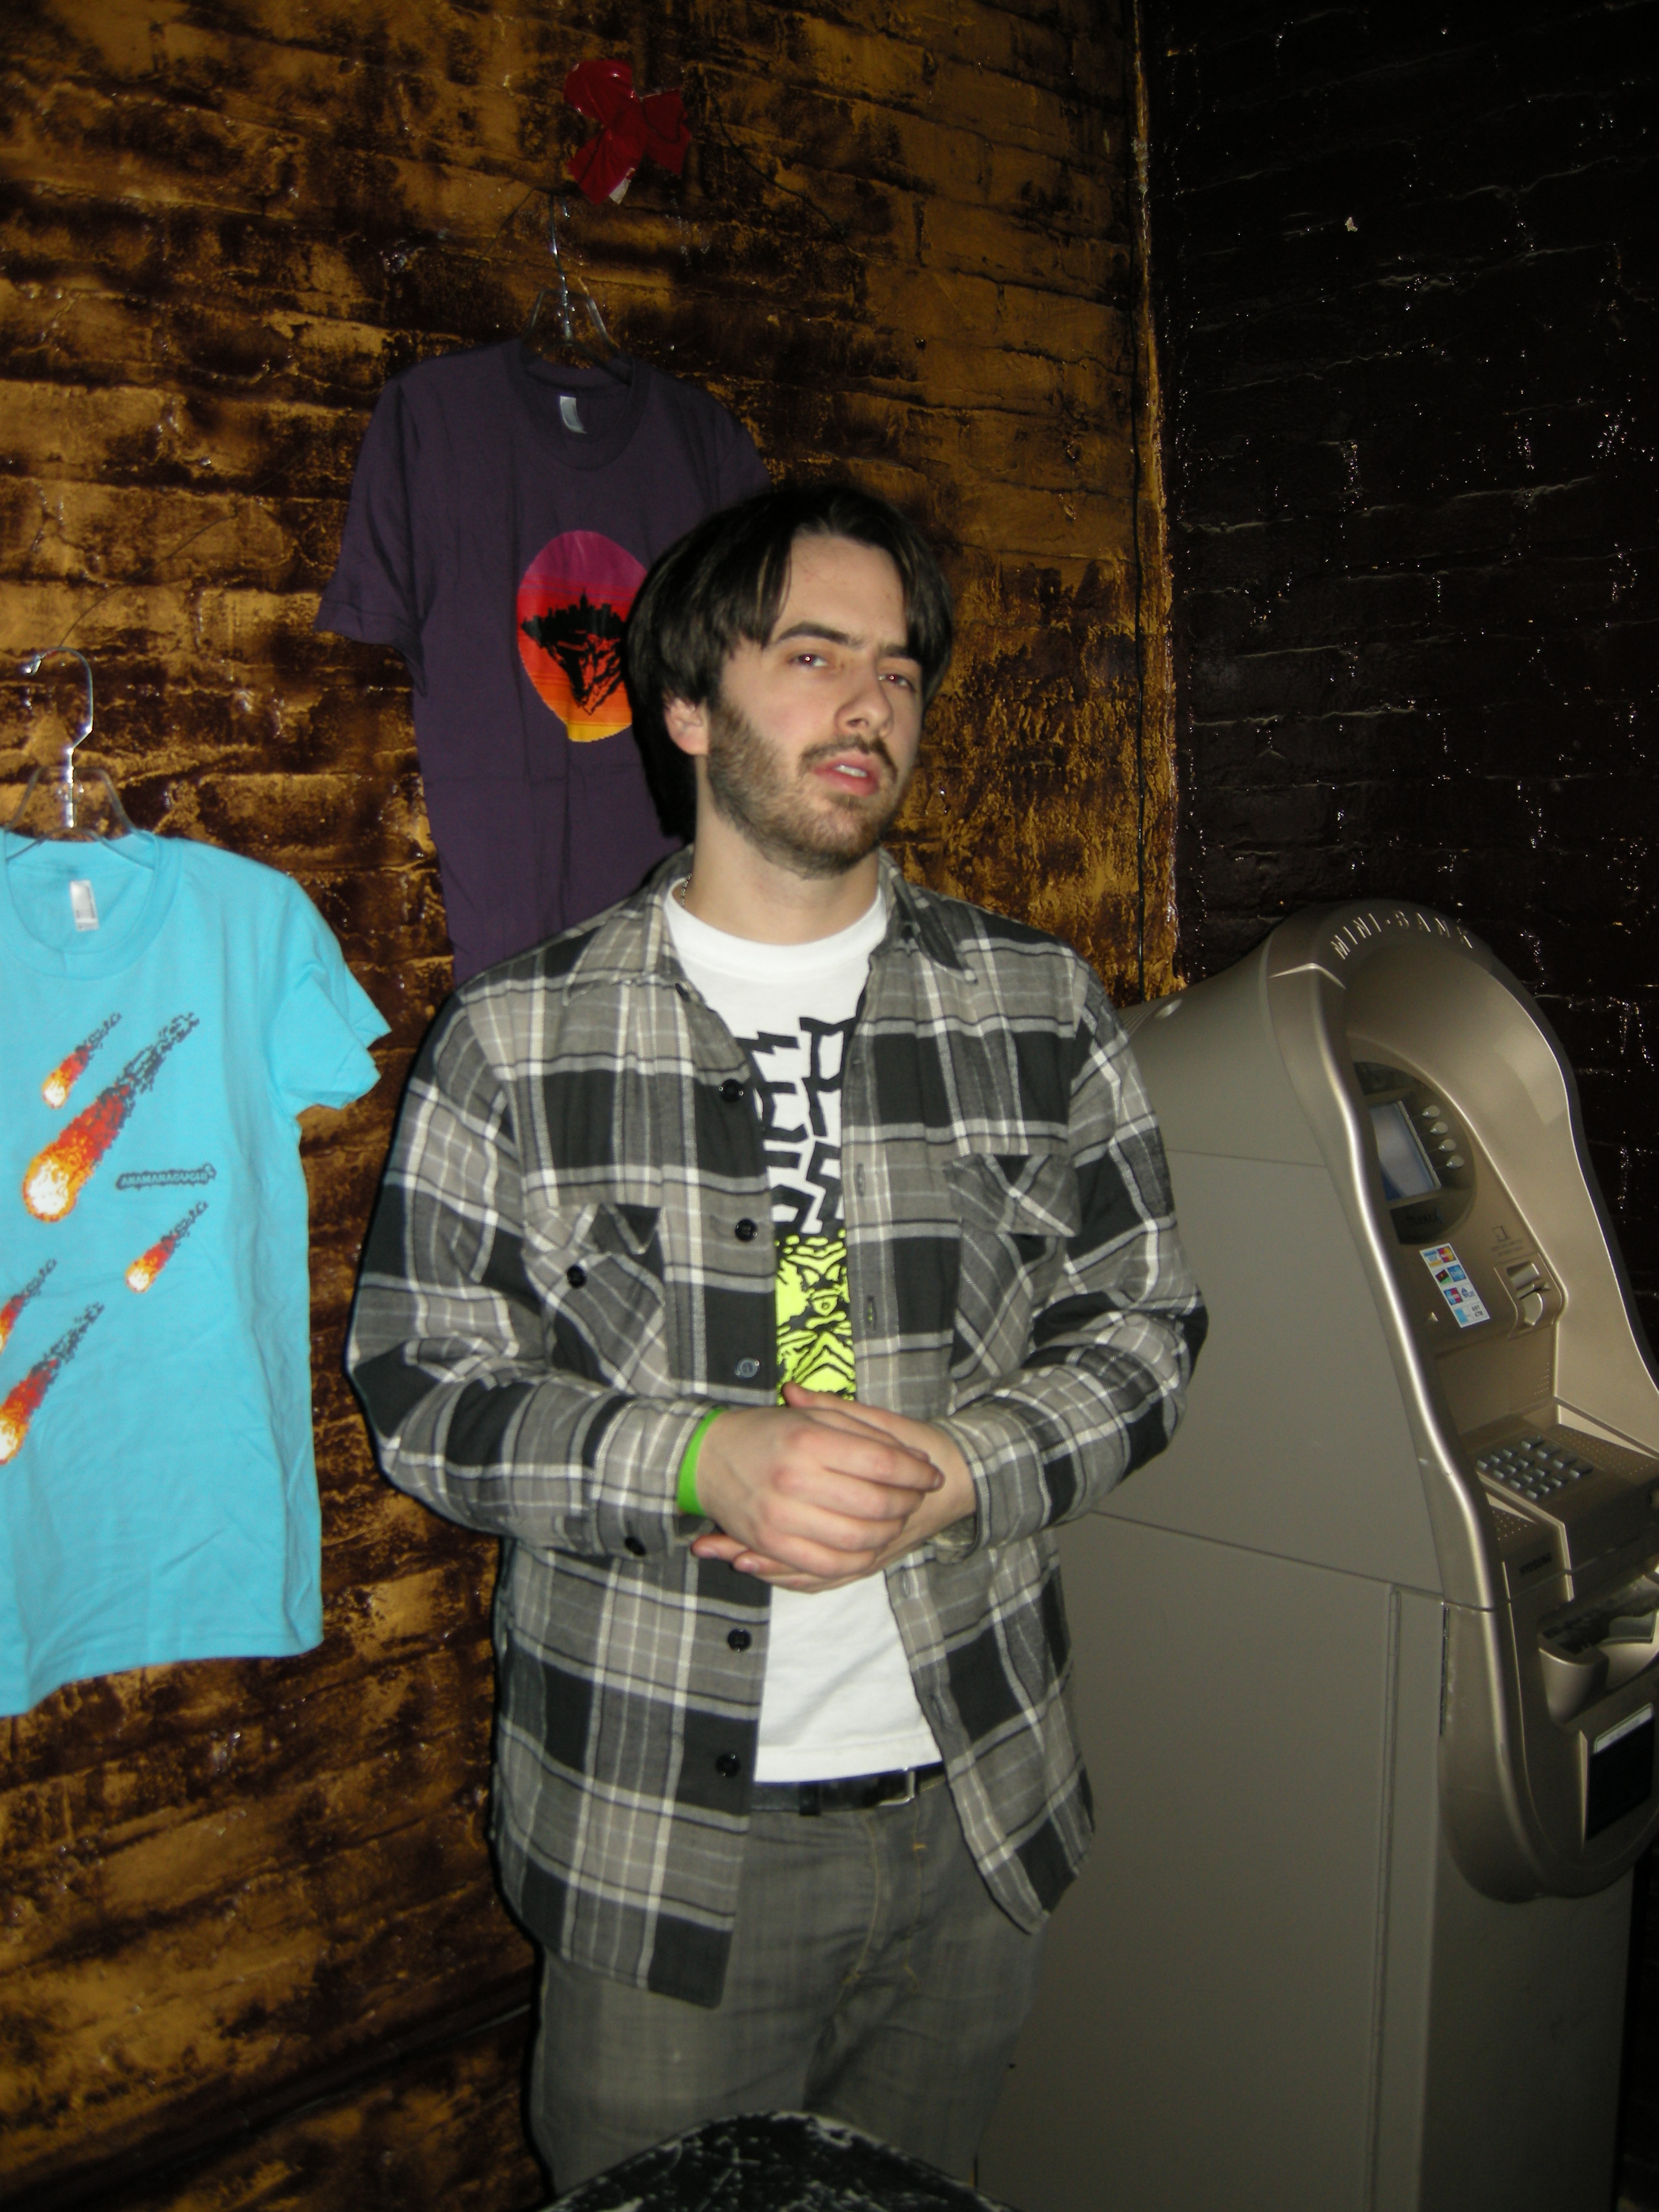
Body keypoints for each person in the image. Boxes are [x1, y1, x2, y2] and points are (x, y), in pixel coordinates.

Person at [346, 482, 1206, 2189]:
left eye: (898, 668)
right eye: (812, 655)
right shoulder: (518, 1038)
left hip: (976, 1811)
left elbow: (1147, 1324)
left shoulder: (1036, 1005)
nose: (869, 702)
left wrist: (968, 1466)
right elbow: (423, 1390)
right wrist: (695, 1458)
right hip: (669, 1850)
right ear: (685, 706)